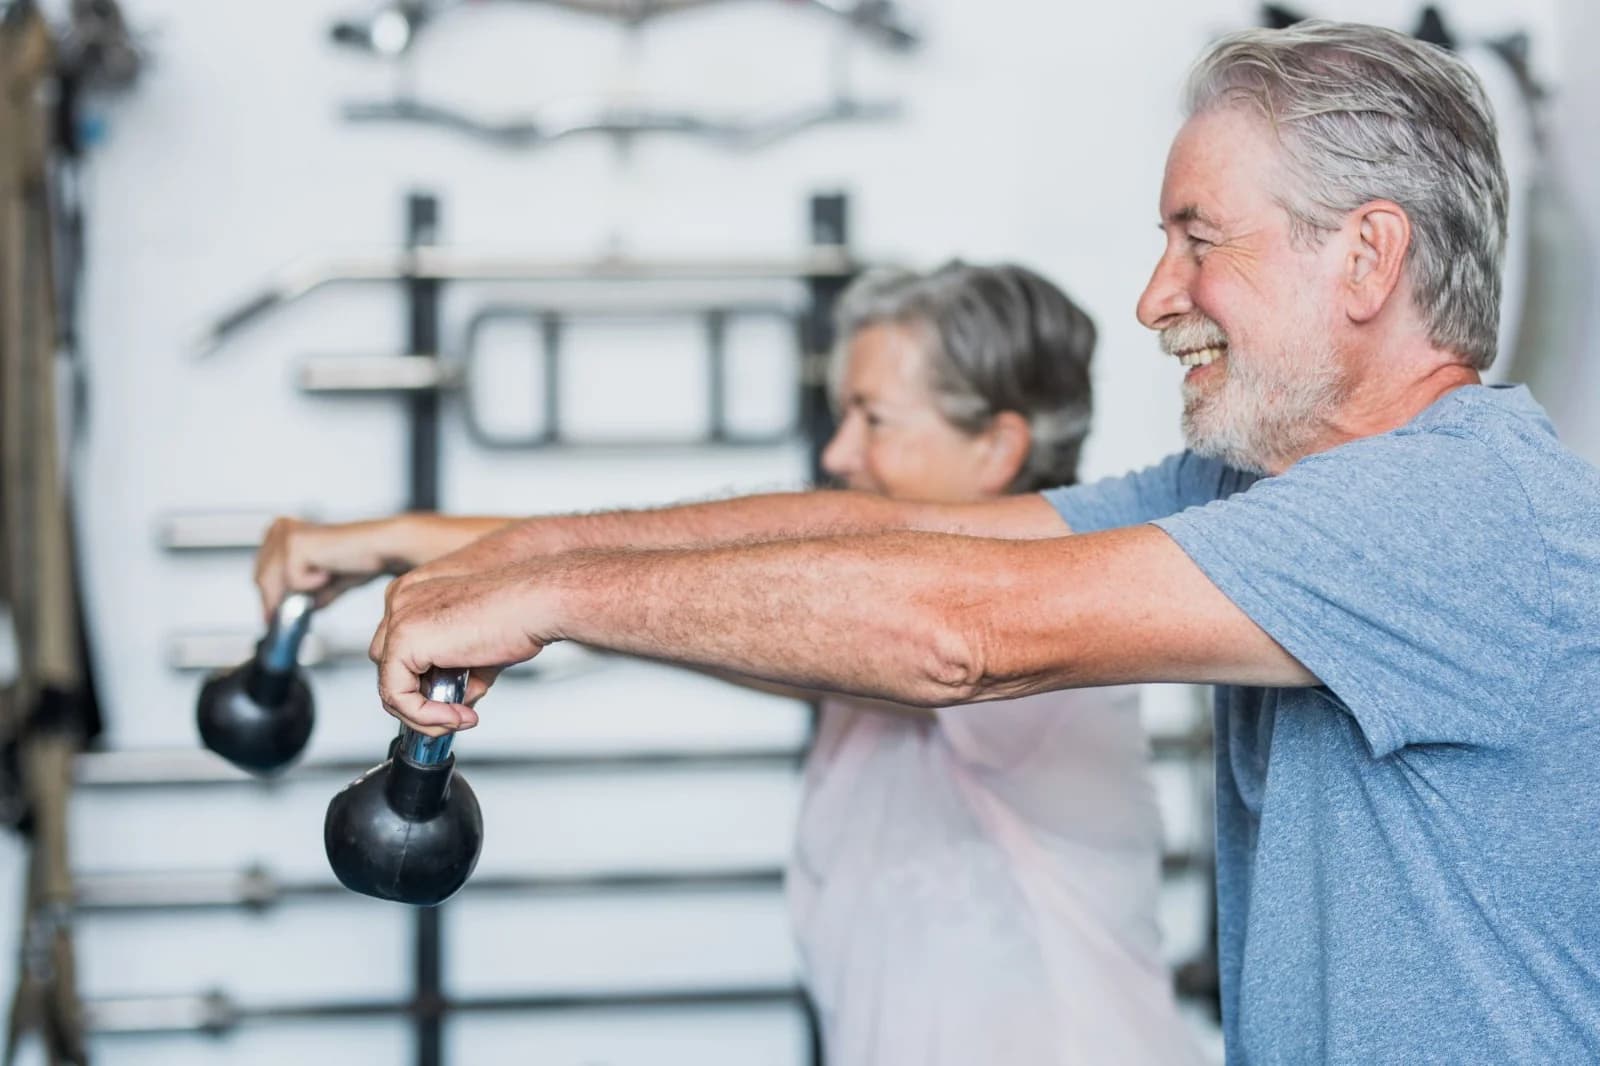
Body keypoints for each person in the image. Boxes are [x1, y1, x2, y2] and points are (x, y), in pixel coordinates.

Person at [328, 20, 1600, 1062]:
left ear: (1367, 257)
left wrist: (546, 593)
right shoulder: (1248, 495)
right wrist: (509, 561)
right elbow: (889, 530)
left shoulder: (1453, 511)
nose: (1157, 295)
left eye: (1197, 238)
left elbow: (957, 631)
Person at [257, 263, 1205, 1064]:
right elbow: (732, 608)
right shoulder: (872, 654)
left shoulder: (1019, 632)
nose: (839, 452)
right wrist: (418, 557)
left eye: (874, 419)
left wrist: (458, 565)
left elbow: (758, 589)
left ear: (998, 446)